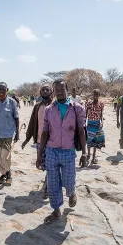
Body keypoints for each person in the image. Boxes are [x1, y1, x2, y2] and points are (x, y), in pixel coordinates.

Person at [37, 79, 86, 224]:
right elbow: (45, 132)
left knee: (69, 181)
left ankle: (71, 193)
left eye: (61, 88)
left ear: (67, 89)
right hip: (52, 151)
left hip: (68, 151)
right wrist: (40, 155)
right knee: (52, 183)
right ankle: (56, 211)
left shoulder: (77, 108)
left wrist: (84, 152)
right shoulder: (48, 110)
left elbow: (81, 131)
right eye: (56, 89)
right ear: (54, 91)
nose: (59, 91)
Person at [22, 84, 53, 199]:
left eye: (47, 89)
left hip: (53, 141)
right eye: (43, 90)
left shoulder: (55, 105)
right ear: (40, 93)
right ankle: (48, 179)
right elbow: (32, 123)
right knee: (42, 165)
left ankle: (48, 187)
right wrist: (26, 139)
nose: (45, 91)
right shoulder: (37, 107)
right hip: (40, 140)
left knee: (51, 164)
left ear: (52, 92)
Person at [85, 89, 105, 165]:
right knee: (89, 139)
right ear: (93, 95)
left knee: (96, 140)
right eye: (94, 94)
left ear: (99, 95)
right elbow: (86, 113)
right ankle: (89, 154)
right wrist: (84, 122)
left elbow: (101, 114)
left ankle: (94, 156)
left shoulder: (101, 104)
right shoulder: (89, 103)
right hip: (90, 123)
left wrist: (102, 122)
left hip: (97, 123)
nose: (95, 96)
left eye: (97, 94)